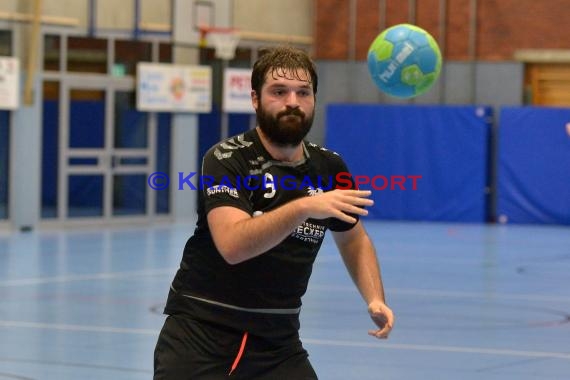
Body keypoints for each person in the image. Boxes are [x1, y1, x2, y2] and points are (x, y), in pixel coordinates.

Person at [154, 45, 394, 379]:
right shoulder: (226, 159)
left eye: (303, 92)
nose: (292, 102)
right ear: (255, 99)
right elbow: (233, 245)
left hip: (278, 342)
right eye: (278, 92)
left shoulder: (329, 166)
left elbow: (354, 239)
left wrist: (374, 298)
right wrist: (305, 206)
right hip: (202, 334)